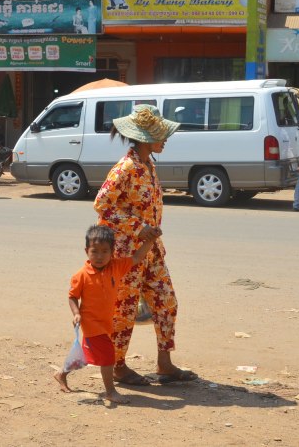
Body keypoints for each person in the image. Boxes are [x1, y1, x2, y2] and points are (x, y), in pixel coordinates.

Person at [94, 104, 198, 385]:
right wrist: (140, 228)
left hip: (151, 251)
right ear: (144, 138)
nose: (165, 139)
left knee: (166, 302)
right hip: (126, 253)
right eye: (161, 135)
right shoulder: (126, 168)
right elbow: (102, 205)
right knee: (125, 310)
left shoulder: (148, 164)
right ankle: (117, 366)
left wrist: (148, 235)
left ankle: (165, 364)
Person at [54, 224, 160, 403]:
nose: (99, 256)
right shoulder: (81, 275)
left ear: (112, 252)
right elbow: (72, 297)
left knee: (88, 357)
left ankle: (61, 373)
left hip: (106, 322)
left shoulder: (116, 267)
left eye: (104, 251)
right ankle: (110, 391)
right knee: (109, 357)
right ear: (86, 251)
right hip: (91, 322)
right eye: (95, 251)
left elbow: (136, 257)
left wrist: (150, 241)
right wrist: (76, 314)